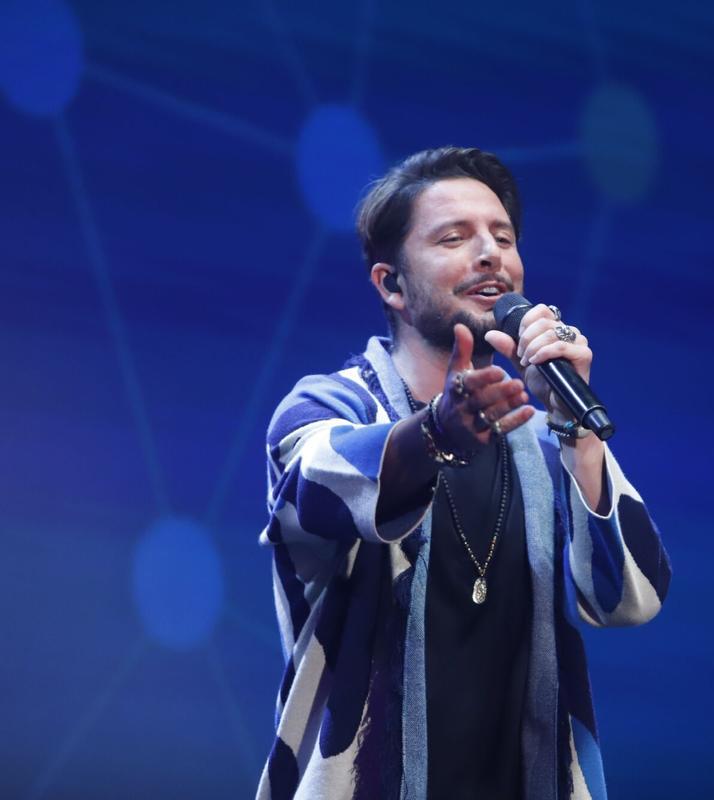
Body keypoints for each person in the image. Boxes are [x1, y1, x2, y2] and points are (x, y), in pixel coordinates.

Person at [255, 146, 671, 800]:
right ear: (391, 284)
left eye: (503, 238)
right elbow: (319, 487)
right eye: (454, 238)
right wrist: (436, 433)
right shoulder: (327, 408)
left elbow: (629, 598)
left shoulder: (544, 438)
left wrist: (578, 430)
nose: (489, 255)